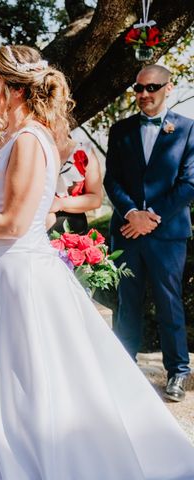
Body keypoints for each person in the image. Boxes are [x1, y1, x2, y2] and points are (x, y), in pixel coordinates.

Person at [0, 46, 194, 479]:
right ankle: (6, 444)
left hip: (20, 275)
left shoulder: (30, 140)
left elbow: (14, 223)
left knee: (37, 379)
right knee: (5, 379)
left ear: (12, 89)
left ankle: (49, 460)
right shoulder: (10, 138)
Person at [104, 64, 194, 403]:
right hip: (127, 230)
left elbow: (189, 183)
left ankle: (178, 372)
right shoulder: (121, 130)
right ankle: (123, 370)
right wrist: (132, 214)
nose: (144, 94)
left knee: (169, 303)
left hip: (166, 233)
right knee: (127, 303)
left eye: (152, 88)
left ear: (168, 88)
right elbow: (111, 179)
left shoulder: (188, 129)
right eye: (138, 88)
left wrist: (151, 217)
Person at [47, 136, 102, 234]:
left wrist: (60, 203)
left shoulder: (84, 151)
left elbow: (96, 199)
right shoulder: (30, 150)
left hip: (72, 227)